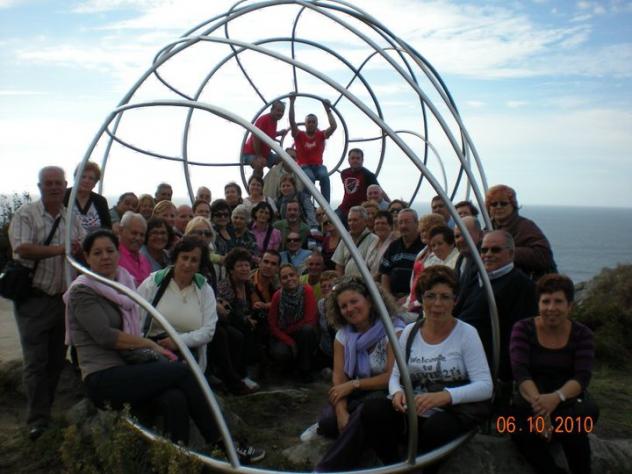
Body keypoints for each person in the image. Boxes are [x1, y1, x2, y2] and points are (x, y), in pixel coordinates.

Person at [64, 230, 264, 463]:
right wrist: (150, 344)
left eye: (110, 251)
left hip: (128, 366)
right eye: (97, 253)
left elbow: (207, 330)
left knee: (175, 398)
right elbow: (105, 336)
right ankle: (224, 443)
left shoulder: (122, 284)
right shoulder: (83, 291)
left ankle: (175, 460)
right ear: (87, 257)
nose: (105, 257)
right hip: (103, 376)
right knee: (182, 371)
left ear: (118, 254)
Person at [315, 266, 493, 472]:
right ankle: (392, 464)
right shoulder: (411, 332)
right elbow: (396, 376)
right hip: (413, 406)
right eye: (430, 296)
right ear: (421, 299)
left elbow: (485, 386)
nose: (437, 304)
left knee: (436, 427)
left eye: (445, 297)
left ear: (455, 300)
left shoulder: (466, 333)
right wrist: (397, 392)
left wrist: (444, 396)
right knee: (372, 411)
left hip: (448, 409)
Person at [8, 166, 85, 439]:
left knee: (55, 360)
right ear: (40, 186)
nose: (54, 187)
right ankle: (37, 421)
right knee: (35, 362)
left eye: (58, 183)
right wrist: (61, 249)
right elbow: (21, 248)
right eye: (48, 183)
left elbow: (82, 246)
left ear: (65, 186)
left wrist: (78, 250)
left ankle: (47, 411)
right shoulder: (26, 214)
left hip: (62, 301)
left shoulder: (71, 217)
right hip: (34, 300)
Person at [510, 274, 598, 474]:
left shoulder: (582, 334)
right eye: (546, 301)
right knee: (517, 429)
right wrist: (542, 410)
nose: (551, 308)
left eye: (558, 301)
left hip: (567, 399)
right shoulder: (523, 329)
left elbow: (582, 376)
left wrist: (556, 398)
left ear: (569, 306)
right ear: (538, 304)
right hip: (531, 397)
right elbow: (520, 372)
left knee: (573, 428)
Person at [307, 277, 401, 446]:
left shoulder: (393, 330)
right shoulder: (343, 335)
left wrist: (353, 385)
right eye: (343, 306)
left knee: (364, 413)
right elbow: (339, 379)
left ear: (370, 301)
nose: (349, 309)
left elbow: (391, 377)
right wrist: (341, 411)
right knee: (329, 423)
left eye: (354, 301)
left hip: (385, 393)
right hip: (354, 393)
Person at [455, 230, 537, 387]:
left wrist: (502, 373)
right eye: (484, 250)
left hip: (487, 364)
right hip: (459, 353)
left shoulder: (522, 286)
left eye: (495, 250)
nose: (488, 254)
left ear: (511, 254)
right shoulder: (476, 277)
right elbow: (458, 310)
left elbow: (520, 334)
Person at [138, 237, 217, 372]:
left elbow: (208, 331)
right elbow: (136, 317)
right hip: (153, 348)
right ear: (176, 258)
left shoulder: (204, 289)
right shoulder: (153, 282)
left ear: (200, 264)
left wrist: (178, 341)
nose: (187, 264)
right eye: (184, 258)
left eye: (194, 260)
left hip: (189, 353)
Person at [486, 184, 556, 280]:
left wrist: (506, 252)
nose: (498, 207)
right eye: (494, 204)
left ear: (513, 205)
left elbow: (544, 255)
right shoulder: (489, 229)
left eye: (503, 203)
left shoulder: (525, 226)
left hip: (527, 282)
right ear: (488, 208)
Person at [217, 248, 266, 377]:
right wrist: (246, 320)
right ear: (231, 269)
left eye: (247, 265)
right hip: (228, 323)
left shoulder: (248, 284)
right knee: (242, 332)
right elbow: (226, 312)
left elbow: (255, 302)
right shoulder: (225, 286)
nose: (244, 269)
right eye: (240, 266)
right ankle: (240, 374)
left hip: (245, 320)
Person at [267, 264, 318, 382]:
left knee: (307, 331)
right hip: (283, 335)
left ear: (298, 276)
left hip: (300, 332)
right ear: (280, 281)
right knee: (281, 352)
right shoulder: (277, 296)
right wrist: (289, 341)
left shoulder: (307, 291)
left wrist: (289, 331)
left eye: (292, 275)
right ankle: (288, 369)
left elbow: (310, 319)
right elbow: (272, 324)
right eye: (285, 277)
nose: (289, 279)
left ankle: (305, 370)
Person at [288, 93, 337, 202]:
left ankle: (326, 205)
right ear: (305, 124)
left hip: (318, 166)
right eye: (309, 122)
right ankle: (307, 203)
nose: (311, 124)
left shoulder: (320, 135)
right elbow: (292, 121)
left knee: (324, 176)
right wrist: (291, 102)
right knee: (309, 178)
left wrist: (328, 109)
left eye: (313, 122)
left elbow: (333, 126)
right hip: (304, 166)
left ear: (316, 124)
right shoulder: (299, 135)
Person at [380, 208, 424, 300]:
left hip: (416, 298)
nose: (403, 226)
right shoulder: (393, 246)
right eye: (400, 223)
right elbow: (385, 273)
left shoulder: (424, 246)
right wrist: (388, 297)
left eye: (407, 222)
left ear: (417, 223)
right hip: (393, 297)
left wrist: (409, 298)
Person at [335, 148, 382, 227]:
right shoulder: (344, 173)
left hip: (358, 210)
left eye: (358, 158)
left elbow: (379, 190)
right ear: (349, 160)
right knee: (329, 220)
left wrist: (389, 203)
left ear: (362, 160)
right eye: (353, 158)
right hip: (344, 208)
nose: (355, 160)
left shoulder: (368, 175)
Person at [242, 100, 287, 178]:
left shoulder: (274, 121)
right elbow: (256, 137)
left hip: (265, 154)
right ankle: (256, 182)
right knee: (259, 164)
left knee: (283, 160)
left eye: (282, 111)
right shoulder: (264, 119)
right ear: (272, 110)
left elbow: (267, 134)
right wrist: (259, 156)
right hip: (251, 153)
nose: (280, 113)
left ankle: (277, 180)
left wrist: (279, 133)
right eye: (278, 110)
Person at [63, 161, 112, 232]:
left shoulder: (100, 201)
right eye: (83, 177)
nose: (86, 181)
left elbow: (107, 228)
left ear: (95, 183)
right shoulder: (63, 196)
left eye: (91, 178)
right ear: (75, 178)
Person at [332, 206, 378, 277]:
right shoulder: (345, 239)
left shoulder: (374, 239)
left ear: (365, 221)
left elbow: (374, 268)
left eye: (355, 220)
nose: (351, 223)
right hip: (347, 282)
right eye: (349, 220)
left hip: (364, 282)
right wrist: (341, 281)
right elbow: (339, 265)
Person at [117, 211, 151, 287]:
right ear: (121, 230)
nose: (138, 238)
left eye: (142, 235)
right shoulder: (114, 257)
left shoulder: (145, 261)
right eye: (134, 233)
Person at [184, 216, 217, 291]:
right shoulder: (181, 258)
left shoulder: (208, 261)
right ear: (189, 234)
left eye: (207, 234)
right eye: (199, 233)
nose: (203, 237)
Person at [453, 216, 483, 292]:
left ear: (481, 235)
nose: (460, 239)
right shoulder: (461, 258)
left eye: (465, 234)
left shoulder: (485, 260)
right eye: (457, 236)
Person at [366, 209, 396, 280]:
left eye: (383, 223)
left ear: (390, 226)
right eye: (377, 223)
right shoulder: (373, 242)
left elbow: (387, 269)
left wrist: (370, 280)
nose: (380, 226)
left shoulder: (394, 244)